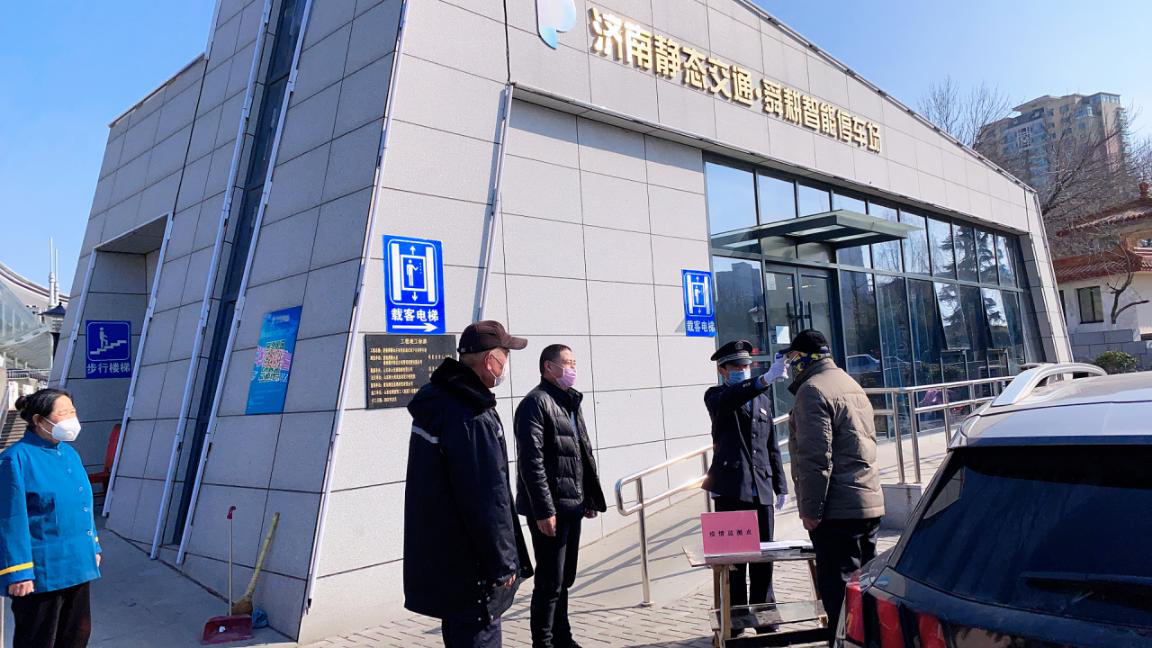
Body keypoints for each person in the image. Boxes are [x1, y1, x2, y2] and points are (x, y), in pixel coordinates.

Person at [404, 320, 534, 648]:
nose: (507, 364)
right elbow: (488, 497)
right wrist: (505, 564)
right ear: (490, 361)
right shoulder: (471, 415)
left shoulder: (441, 402)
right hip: (474, 569)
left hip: (450, 561)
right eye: (505, 355)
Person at [781, 330, 884, 636]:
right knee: (866, 588)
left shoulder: (812, 390)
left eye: (793, 358)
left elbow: (815, 458)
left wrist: (811, 510)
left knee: (840, 596)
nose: (791, 365)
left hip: (837, 510)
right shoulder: (851, 384)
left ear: (804, 358)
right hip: (867, 503)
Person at [514, 344, 606, 648]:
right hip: (549, 509)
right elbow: (532, 462)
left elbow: (581, 452)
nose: (572, 369)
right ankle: (543, 642)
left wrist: (588, 498)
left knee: (564, 578)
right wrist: (544, 510)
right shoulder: (535, 403)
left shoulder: (569, 401)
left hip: (571, 504)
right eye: (567, 363)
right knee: (549, 582)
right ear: (548, 367)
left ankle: (563, 638)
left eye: (574, 362)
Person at [1, 388, 102, 648]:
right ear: (39, 420)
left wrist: (93, 546)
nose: (71, 419)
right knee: (39, 639)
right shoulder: (15, 459)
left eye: (73, 412)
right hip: (42, 573)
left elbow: (82, 505)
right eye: (63, 413)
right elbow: (10, 520)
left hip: (77, 564)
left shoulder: (69, 454)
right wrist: (18, 571)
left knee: (77, 635)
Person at [702, 340, 790, 622]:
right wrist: (763, 380)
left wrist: (780, 485)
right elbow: (732, 398)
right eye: (736, 366)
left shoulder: (762, 399)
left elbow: (771, 445)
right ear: (722, 370)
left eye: (746, 365)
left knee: (764, 558)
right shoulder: (716, 396)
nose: (742, 369)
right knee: (735, 561)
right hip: (731, 489)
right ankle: (736, 619)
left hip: (760, 487)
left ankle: (764, 615)